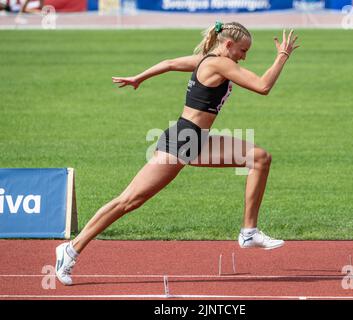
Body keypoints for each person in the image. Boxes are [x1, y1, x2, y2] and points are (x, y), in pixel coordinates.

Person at [55, 21, 299, 286]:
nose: (244, 56)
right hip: (182, 140)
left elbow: (170, 63)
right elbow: (263, 86)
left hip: (198, 140)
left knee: (259, 158)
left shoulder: (206, 60)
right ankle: (71, 249)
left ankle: (248, 232)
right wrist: (282, 57)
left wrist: (140, 77)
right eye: (242, 50)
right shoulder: (220, 63)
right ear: (228, 44)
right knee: (128, 201)